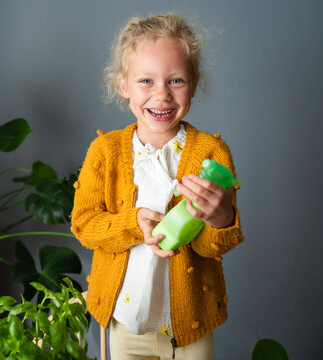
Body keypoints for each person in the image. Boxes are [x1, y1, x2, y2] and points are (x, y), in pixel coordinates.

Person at [71, 13, 244, 359]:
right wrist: (133, 224)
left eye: (176, 80)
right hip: (124, 324)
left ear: (193, 84)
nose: (161, 94)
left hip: (191, 326)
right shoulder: (105, 152)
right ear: (123, 85)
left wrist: (222, 218)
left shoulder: (211, 153)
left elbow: (213, 249)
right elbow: (84, 225)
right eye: (146, 80)